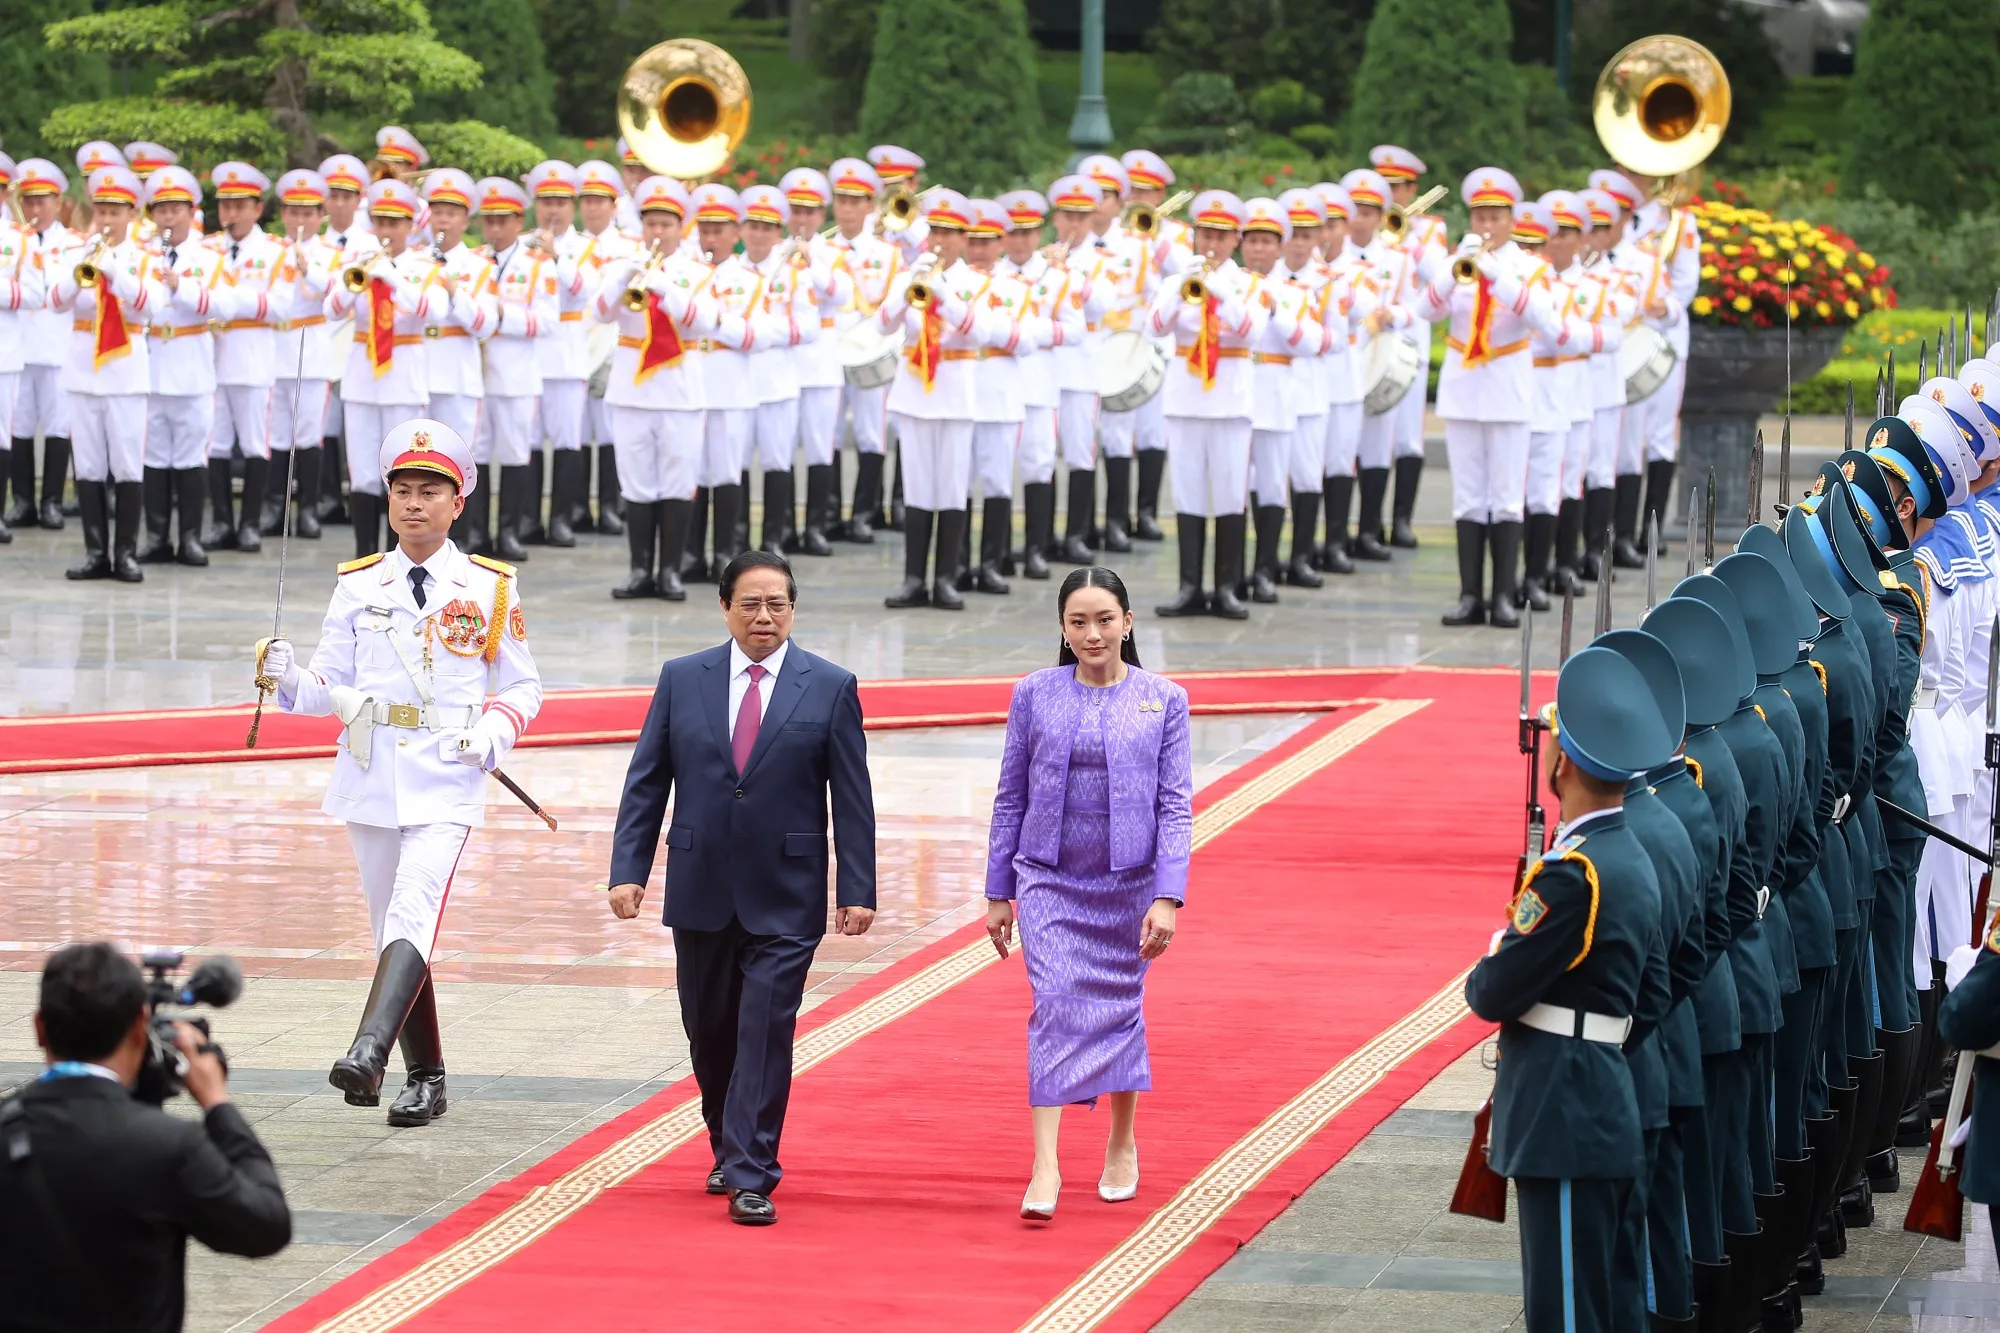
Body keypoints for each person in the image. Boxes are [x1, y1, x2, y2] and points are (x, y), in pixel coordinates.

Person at [255, 418, 542, 1126]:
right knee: (393, 927)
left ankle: (368, 1050)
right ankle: (429, 1074)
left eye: (430, 491)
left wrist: (492, 731)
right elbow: (328, 685)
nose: (415, 503)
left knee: (414, 907)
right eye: (402, 490)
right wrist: (285, 678)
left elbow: (523, 685)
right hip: (371, 768)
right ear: (387, 497)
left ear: (457, 502)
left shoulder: (488, 586)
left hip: (448, 772)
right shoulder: (357, 584)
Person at [607, 550, 877, 1226]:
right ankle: (727, 1142)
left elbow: (853, 796)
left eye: (777, 603)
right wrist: (627, 869)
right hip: (700, 884)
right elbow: (648, 780)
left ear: (793, 608)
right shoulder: (681, 679)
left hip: (787, 888)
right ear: (725, 606)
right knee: (711, 1030)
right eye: (751, 603)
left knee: (764, 1027)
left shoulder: (830, 686)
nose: (764, 616)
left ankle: (753, 1170)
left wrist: (858, 885)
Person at [1465, 645, 1670, 1333]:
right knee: (1609, 1304)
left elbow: (1490, 991)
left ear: (1566, 763)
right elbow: (1655, 990)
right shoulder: (1630, 855)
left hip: (1565, 1117)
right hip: (1602, 1097)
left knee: (1567, 1315)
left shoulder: (1574, 874)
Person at [984, 567, 1192, 1219]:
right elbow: (1010, 793)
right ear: (1062, 627)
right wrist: (998, 891)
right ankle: (1045, 1164)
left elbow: (1176, 805)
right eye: (1078, 621)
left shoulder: (1165, 699)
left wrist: (1168, 895)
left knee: (1117, 1003)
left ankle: (1122, 1140)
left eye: (1105, 619)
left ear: (1129, 622)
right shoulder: (1034, 693)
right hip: (1047, 877)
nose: (1092, 633)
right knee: (1054, 1003)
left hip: (1128, 882)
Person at [0, 942, 290, 1332]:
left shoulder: (8, 1127)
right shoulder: (168, 1147)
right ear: (140, 1026)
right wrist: (217, 1102)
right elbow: (266, 1224)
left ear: (39, 1027)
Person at [1143, 190, 1267, 620]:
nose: (1212, 242)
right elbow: (1154, 326)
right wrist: (1181, 289)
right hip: (1185, 400)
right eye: (1205, 233)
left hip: (1231, 401)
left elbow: (1252, 332)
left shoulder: (1249, 284)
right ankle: (1189, 586)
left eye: (1221, 234)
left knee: (1230, 496)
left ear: (1236, 238)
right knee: (1189, 495)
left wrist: (1220, 293)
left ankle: (1227, 587)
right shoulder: (1176, 280)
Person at [50, 163, 166, 584]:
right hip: (83, 372)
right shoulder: (75, 250)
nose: (106, 219)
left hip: (126, 373)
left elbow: (152, 304)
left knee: (128, 465)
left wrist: (115, 270)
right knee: (90, 467)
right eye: (101, 211)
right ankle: (95, 553)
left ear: (131, 215)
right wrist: (81, 271)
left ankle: (126, 554)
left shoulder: (144, 256)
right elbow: (56, 300)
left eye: (115, 212)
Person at [324, 178, 442, 557]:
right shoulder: (358, 261)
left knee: (402, 472)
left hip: (403, 377)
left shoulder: (424, 265)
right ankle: (363, 556)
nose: (388, 231)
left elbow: (432, 310)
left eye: (396, 223)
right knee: (361, 471)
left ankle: (400, 555)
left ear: (410, 226)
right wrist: (355, 280)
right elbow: (331, 310)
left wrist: (392, 278)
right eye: (381, 223)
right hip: (361, 376)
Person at [137, 165, 221, 568]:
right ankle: (155, 536)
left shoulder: (208, 256)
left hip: (190, 364)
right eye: (161, 209)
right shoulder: (141, 255)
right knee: (153, 455)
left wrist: (180, 286)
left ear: (192, 212)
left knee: (190, 456)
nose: (168, 217)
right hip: (151, 364)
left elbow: (222, 304)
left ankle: (189, 537)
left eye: (176, 208)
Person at [203, 162, 280, 553]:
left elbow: (282, 306)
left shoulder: (274, 251)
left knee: (253, 444)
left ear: (257, 208)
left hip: (251, 357)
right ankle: (220, 522)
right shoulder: (207, 249)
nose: (230, 213)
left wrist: (235, 302)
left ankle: (249, 523)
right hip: (211, 358)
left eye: (239, 205)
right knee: (215, 443)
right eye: (225, 205)